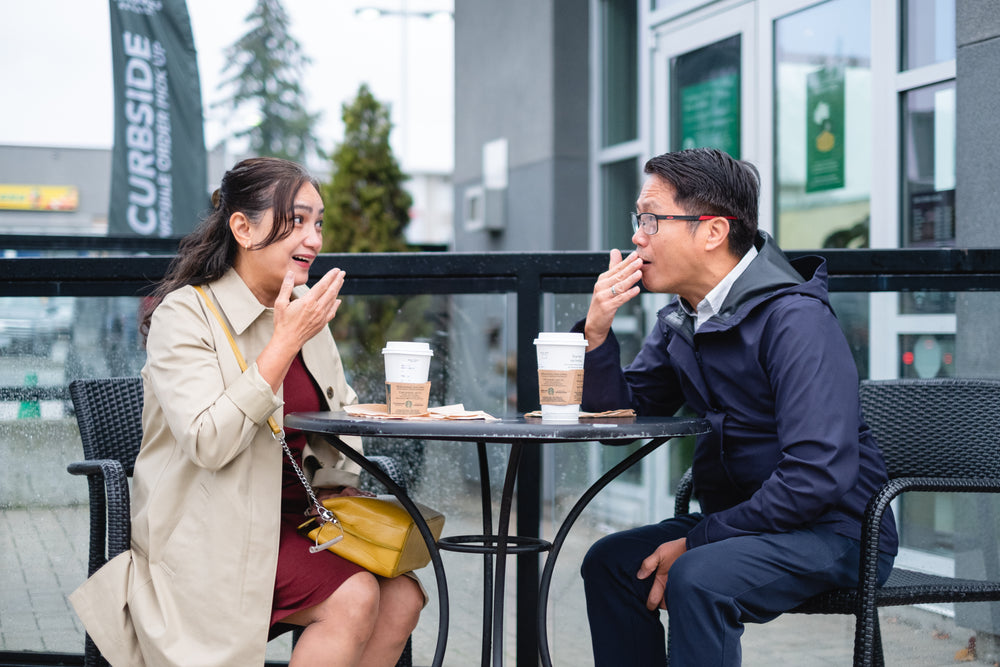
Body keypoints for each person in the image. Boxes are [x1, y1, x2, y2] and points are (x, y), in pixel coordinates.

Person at [69, 157, 423, 666]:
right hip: (209, 535)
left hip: (296, 519)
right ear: (242, 227)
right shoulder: (186, 315)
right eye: (297, 220)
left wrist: (342, 478)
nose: (314, 239)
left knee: (402, 596)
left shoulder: (304, 311)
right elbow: (208, 441)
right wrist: (284, 343)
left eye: (318, 222)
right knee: (354, 595)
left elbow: (339, 407)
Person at [577, 148, 898, 666]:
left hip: (835, 533)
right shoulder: (684, 317)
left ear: (712, 231)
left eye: (652, 219)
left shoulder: (795, 320)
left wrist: (701, 539)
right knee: (611, 562)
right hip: (743, 525)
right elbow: (626, 415)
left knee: (698, 577)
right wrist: (595, 334)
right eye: (640, 220)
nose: (638, 236)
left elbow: (817, 474)